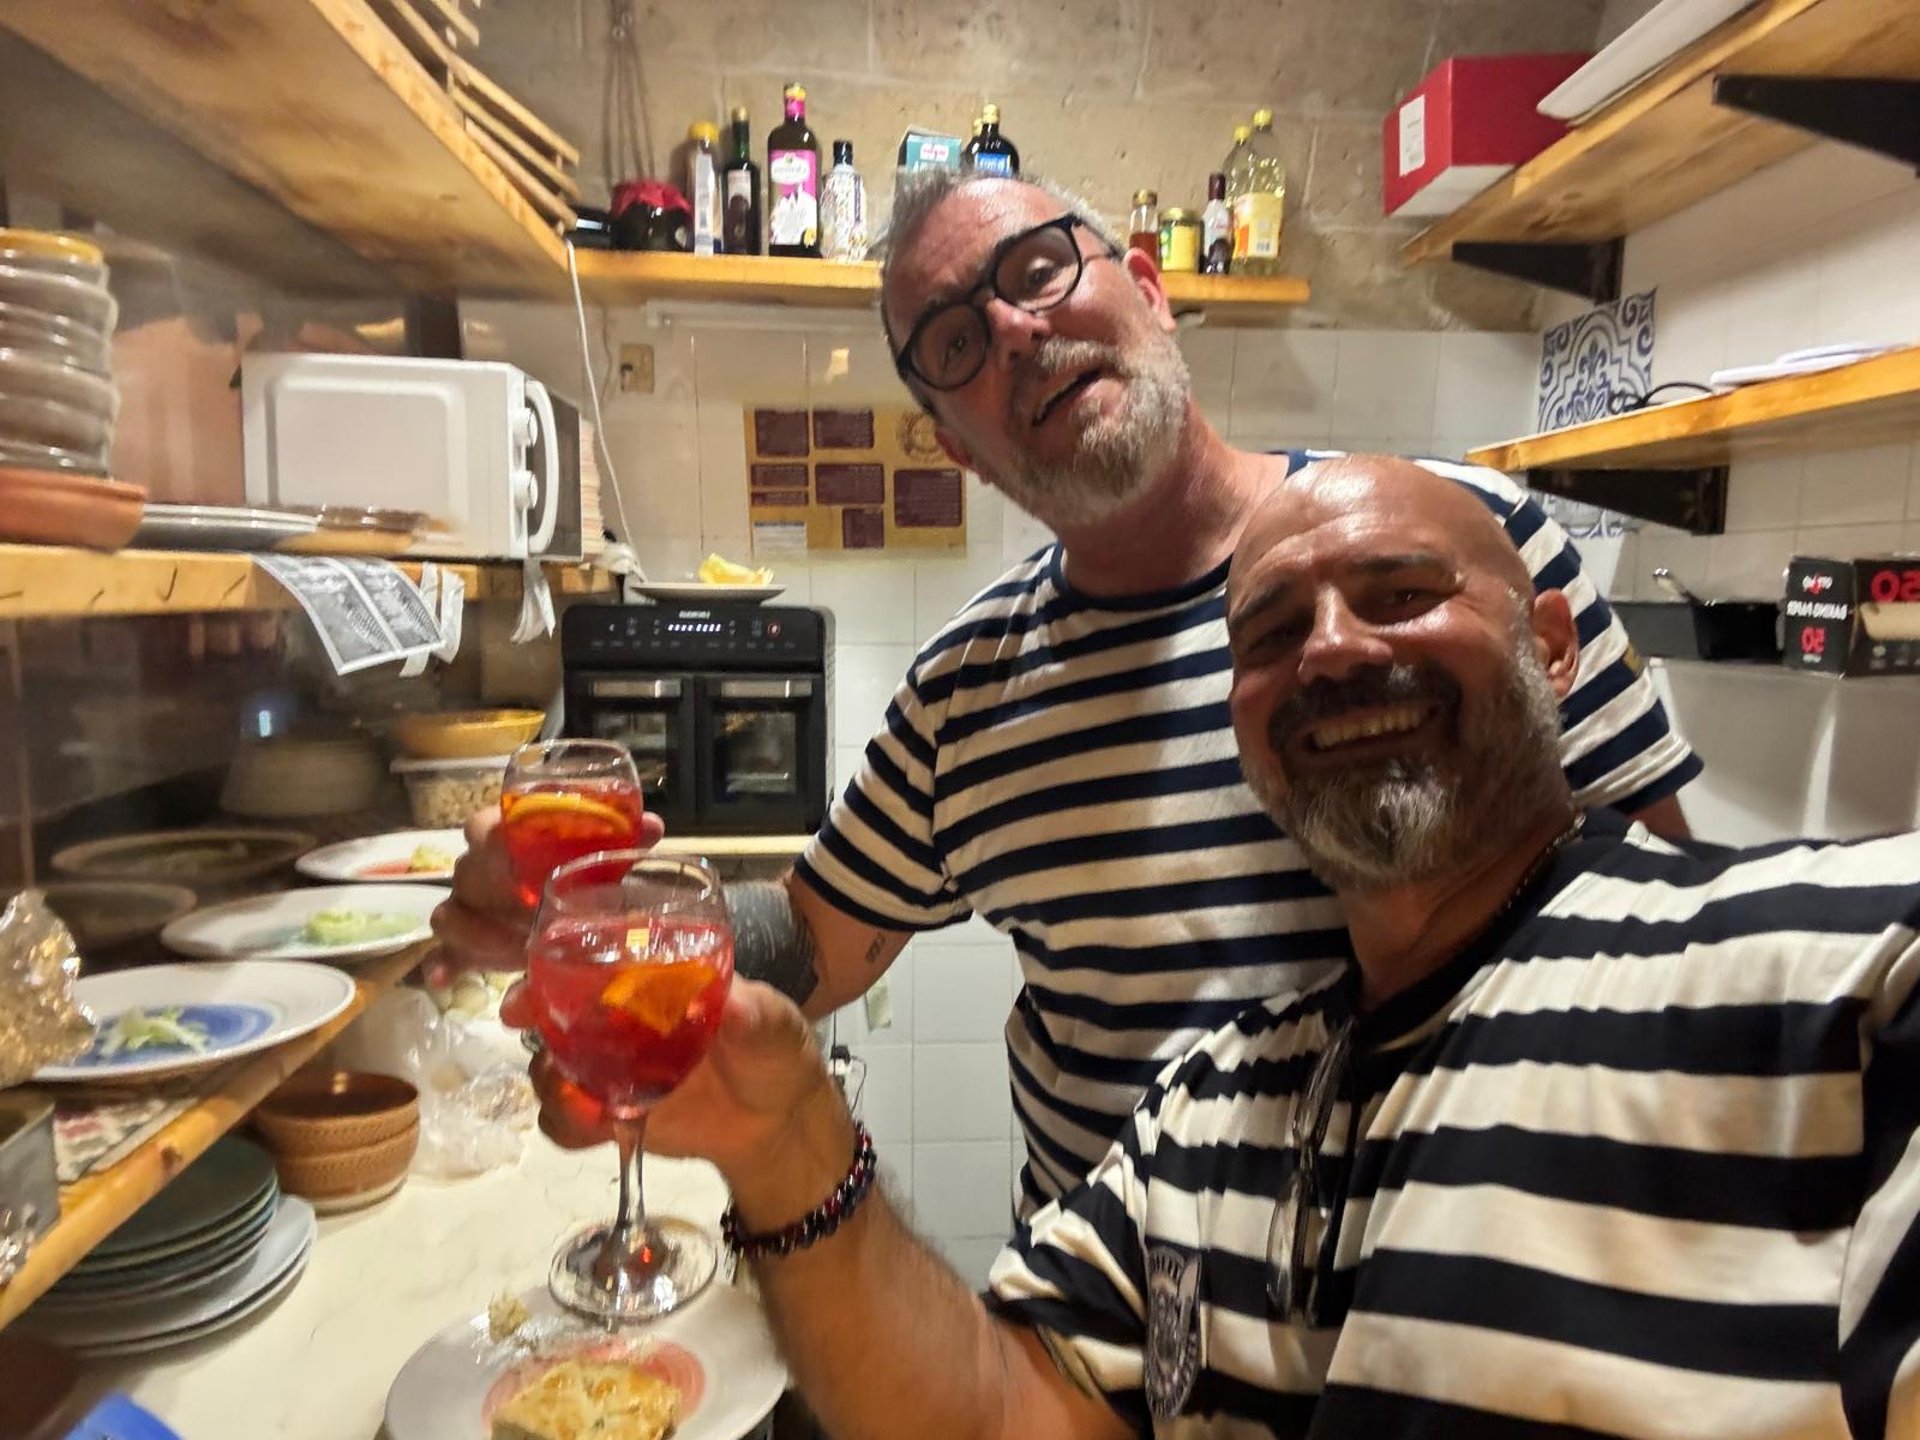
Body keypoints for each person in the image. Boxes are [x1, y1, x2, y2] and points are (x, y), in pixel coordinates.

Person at [433, 170, 1701, 1215]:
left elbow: (1663, 934)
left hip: (1462, 1305)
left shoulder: (1453, 552)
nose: (1015, 330)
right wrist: (599, 926)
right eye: (954, 342)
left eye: (1038, 269)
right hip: (1111, 1341)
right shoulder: (964, 695)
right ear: (956, 445)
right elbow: (816, 941)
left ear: (1147, 287)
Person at [615, 454, 1920, 1440]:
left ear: (1553, 648)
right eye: (1273, 633)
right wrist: (785, 1148)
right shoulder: (1208, 1116)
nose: (1334, 651)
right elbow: (995, 1409)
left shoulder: (1839, 970)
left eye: (1401, 594)